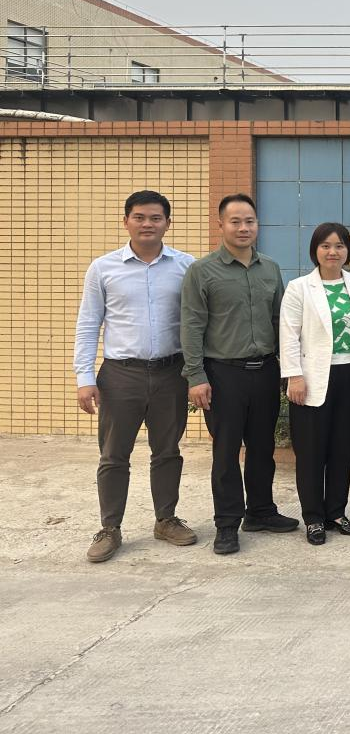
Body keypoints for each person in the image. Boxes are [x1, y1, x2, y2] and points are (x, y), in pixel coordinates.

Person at [74, 190, 197, 562]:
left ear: (168, 223)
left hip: (171, 372)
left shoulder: (186, 266)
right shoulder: (103, 268)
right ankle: (110, 528)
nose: (148, 224)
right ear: (126, 221)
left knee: (168, 451)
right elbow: (88, 323)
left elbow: (196, 323)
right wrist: (84, 376)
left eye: (156, 218)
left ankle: (166, 520)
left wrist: (196, 373)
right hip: (120, 375)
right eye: (140, 217)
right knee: (114, 455)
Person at [181, 193, 294, 556]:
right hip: (223, 374)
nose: (243, 228)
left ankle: (260, 511)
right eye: (235, 221)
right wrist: (196, 376)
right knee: (226, 452)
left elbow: (280, 322)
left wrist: (290, 369)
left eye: (249, 221)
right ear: (221, 225)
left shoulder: (270, 269)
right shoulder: (202, 271)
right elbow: (192, 325)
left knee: (263, 447)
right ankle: (227, 523)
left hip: (265, 371)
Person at [279, 223, 350, 546]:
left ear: (348, 250)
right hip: (311, 377)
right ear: (315, 250)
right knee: (311, 451)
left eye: (339, 246)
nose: (332, 252)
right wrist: (294, 375)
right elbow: (289, 334)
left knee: (341, 448)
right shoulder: (299, 287)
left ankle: (336, 512)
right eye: (325, 246)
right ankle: (314, 518)